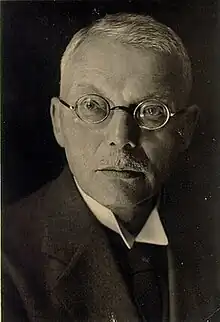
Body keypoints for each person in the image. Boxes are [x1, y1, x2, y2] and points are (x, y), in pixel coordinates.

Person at [2, 13, 220, 322]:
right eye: (92, 106)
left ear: (186, 128)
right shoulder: (7, 260)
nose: (121, 138)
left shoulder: (209, 235)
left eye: (151, 112)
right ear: (58, 121)